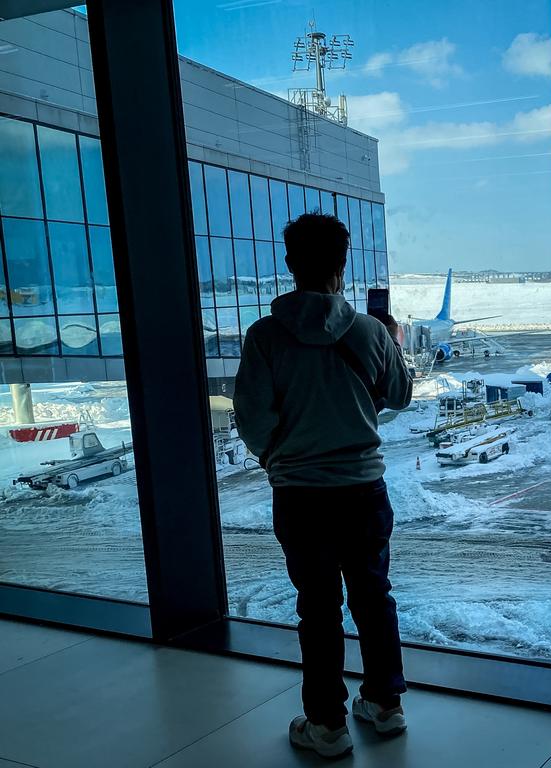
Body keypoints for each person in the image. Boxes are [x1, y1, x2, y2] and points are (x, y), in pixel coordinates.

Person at [234, 213, 413, 759]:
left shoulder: (265, 337)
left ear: (291, 265)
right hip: (364, 490)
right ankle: (385, 705)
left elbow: (252, 419)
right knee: (373, 596)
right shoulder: (368, 331)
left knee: (317, 606)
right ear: (343, 264)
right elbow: (400, 396)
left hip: (301, 495)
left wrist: (279, 459)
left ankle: (327, 726)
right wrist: (395, 343)